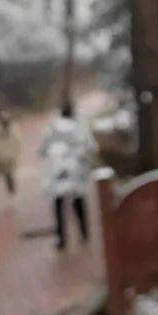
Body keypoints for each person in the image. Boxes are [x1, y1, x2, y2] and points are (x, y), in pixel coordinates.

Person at [39, 104, 97, 250]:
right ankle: (84, 232)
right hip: (75, 170)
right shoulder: (80, 127)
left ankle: (62, 239)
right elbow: (91, 147)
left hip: (59, 172)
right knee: (78, 201)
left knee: (59, 203)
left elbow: (43, 148)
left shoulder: (53, 127)